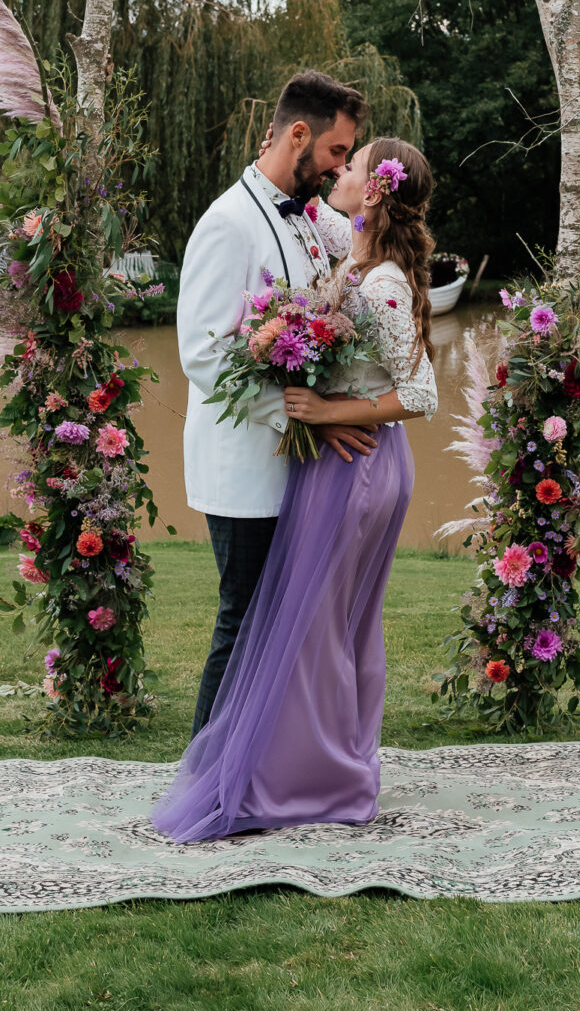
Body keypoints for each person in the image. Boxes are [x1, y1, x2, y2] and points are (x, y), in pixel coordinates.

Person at [151, 138, 438, 842]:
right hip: (340, 464)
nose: (339, 173)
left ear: (375, 191)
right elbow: (304, 204)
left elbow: (422, 391)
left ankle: (328, 778)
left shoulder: (385, 284)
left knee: (325, 629)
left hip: (361, 464)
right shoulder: (352, 242)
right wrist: (282, 156)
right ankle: (307, 767)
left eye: (354, 166)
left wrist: (328, 412)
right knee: (315, 626)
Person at [176, 70, 374, 739]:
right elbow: (203, 354)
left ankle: (255, 770)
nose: (339, 165)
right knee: (244, 619)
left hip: (291, 464)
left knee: (275, 624)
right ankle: (204, 775)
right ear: (298, 134)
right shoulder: (227, 223)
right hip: (242, 465)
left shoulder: (309, 221)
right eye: (338, 152)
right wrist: (297, 415)